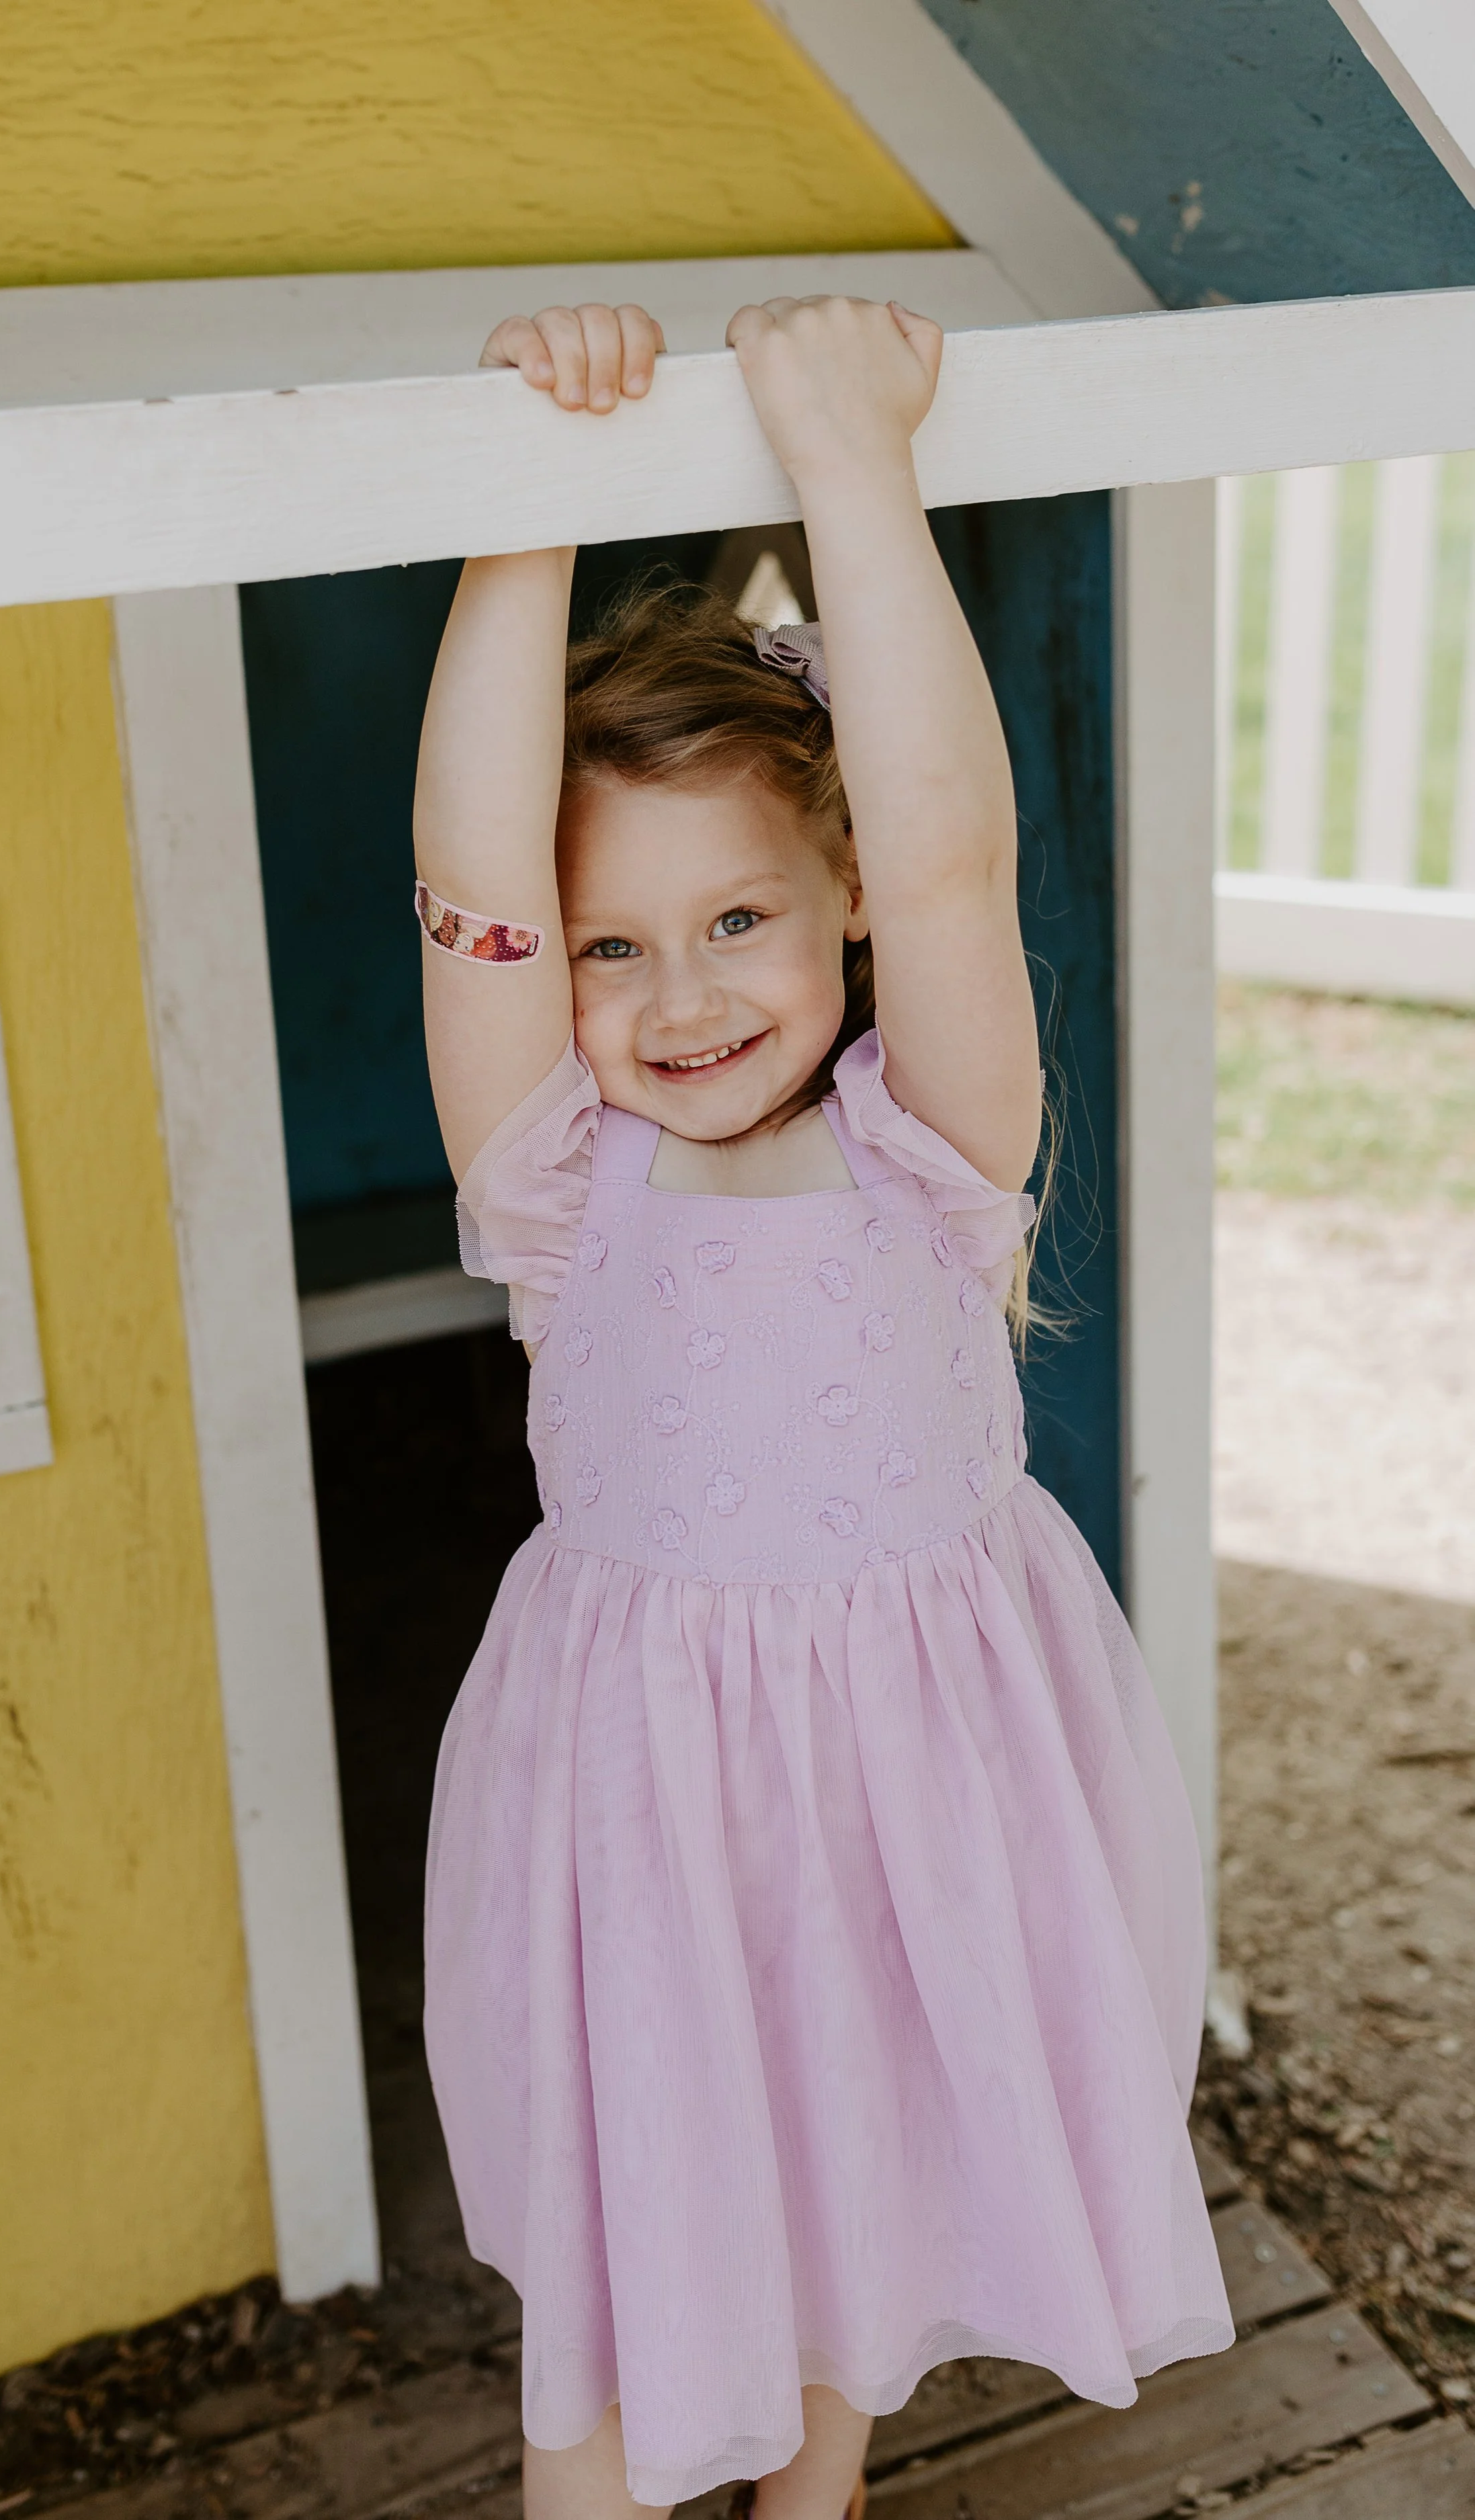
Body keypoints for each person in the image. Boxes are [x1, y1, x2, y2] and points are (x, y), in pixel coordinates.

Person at [415, 297, 1232, 2520]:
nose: (676, 995)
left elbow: (958, 850)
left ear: (843, 901)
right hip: (650, 1820)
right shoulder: (570, 1192)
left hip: (911, 1803)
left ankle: (816, 2495)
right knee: (629, 2270)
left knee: (845, 2204)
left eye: (739, 917)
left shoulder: (933, 1152)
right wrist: (517, 529)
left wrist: (850, 462)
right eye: (615, 945)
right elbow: (473, 909)